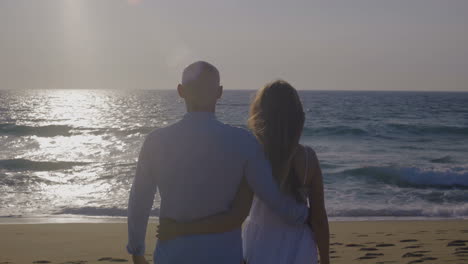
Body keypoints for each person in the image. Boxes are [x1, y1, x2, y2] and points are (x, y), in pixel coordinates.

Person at [126, 62, 310, 264]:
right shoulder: (243, 142)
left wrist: (137, 250)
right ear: (220, 92)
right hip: (223, 256)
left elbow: (139, 201)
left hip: (173, 255)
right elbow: (272, 198)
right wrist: (304, 214)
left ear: (180, 91)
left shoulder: (156, 141)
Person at [157, 80, 330, 264]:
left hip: (261, 244)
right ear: (296, 116)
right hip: (299, 246)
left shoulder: (253, 155)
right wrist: (325, 259)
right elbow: (318, 218)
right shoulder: (308, 158)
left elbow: (234, 216)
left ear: (260, 114)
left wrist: (180, 229)